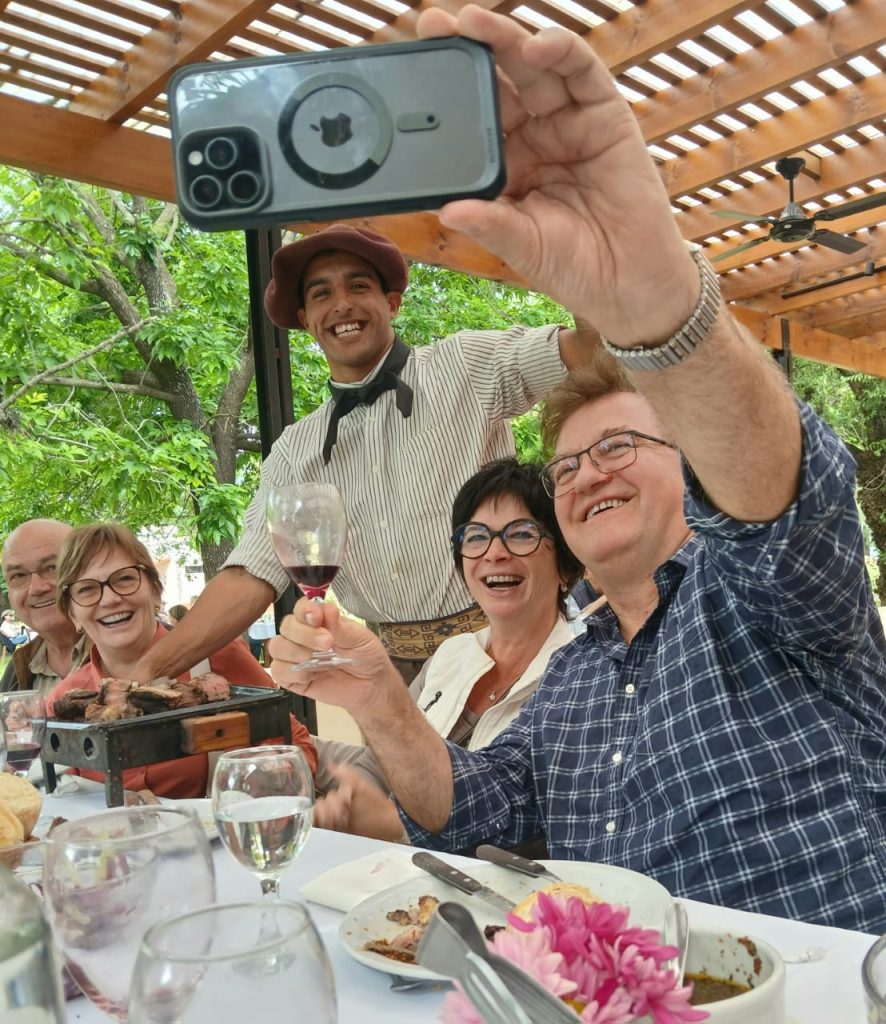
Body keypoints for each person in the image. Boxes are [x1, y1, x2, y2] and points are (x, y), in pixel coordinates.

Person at [266, 5, 886, 934]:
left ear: (693, 470)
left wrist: (656, 297)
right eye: (565, 467)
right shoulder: (576, 675)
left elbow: (782, 499)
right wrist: (376, 695)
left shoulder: (762, 596)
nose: (587, 475)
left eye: (618, 448)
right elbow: (476, 810)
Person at [129, 220, 599, 687]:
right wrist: (146, 670)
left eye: (358, 285)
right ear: (306, 321)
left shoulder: (465, 365)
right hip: (392, 674)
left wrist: (577, 251)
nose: (342, 305)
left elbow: (589, 353)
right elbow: (252, 572)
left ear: (391, 302)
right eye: (321, 295)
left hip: (514, 648)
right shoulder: (296, 452)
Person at [312, 457, 582, 838]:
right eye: (475, 536)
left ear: (567, 565)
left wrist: (393, 829)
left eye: (521, 533)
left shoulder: (582, 673)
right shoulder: (450, 655)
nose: (494, 552)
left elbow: (538, 826)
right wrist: (298, 755)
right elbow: (380, 765)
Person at [45, 524, 317, 798]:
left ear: (155, 591)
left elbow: (294, 749)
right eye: (87, 589)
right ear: (72, 613)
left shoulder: (217, 661)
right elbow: (65, 799)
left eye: (125, 579)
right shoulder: (64, 701)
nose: (111, 598)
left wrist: (255, 789)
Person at [1, 519, 89, 695]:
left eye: (52, 567)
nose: (36, 588)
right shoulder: (18, 670)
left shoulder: (134, 651)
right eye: (18, 575)